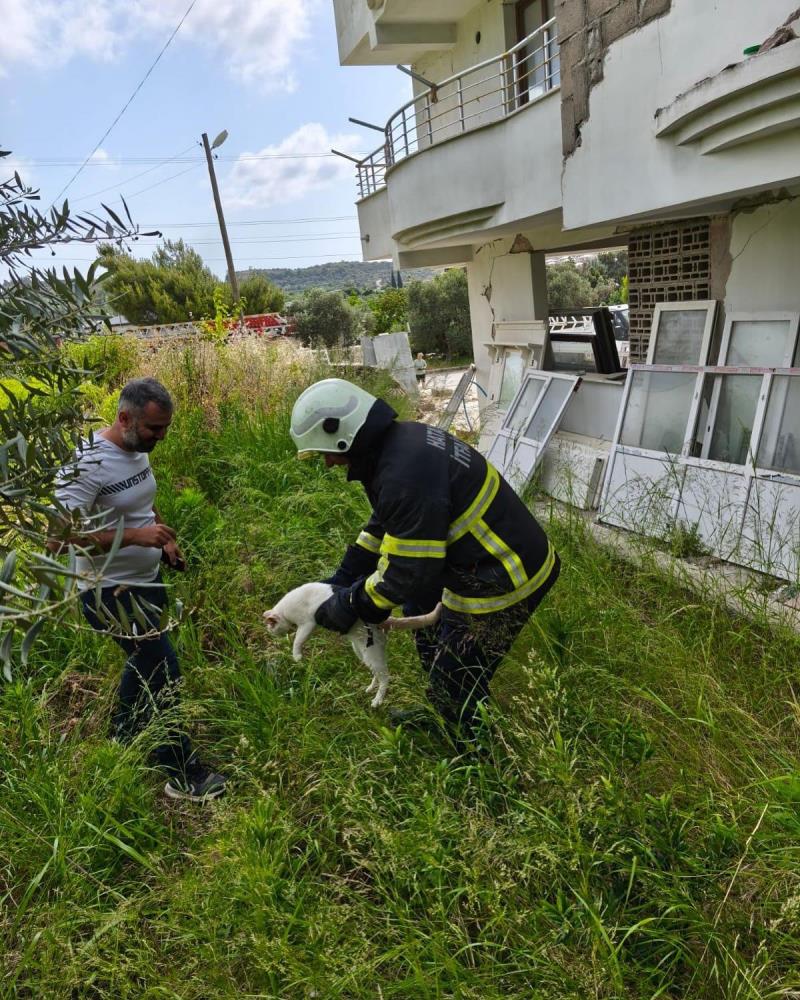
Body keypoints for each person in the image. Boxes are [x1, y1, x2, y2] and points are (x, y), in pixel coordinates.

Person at [289, 378, 560, 738]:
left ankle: (480, 758)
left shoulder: (402, 472)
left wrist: (351, 604)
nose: (327, 463)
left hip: (506, 577)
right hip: (482, 562)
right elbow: (388, 521)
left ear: (342, 434)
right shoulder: (399, 445)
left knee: (456, 678)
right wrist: (346, 574)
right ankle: (444, 712)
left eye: (325, 452)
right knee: (424, 617)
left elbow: (408, 571)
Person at [49, 377, 227, 802]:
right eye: (154, 429)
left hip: (147, 582)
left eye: (165, 428)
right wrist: (133, 537)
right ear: (124, 418)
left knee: (145, 660)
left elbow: (143, 502)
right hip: (109, 592)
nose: (161, 437)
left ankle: (122, 738)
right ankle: (181, 775)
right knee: (163, 670)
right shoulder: (86, 464)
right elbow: (56, 540)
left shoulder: (137, 448)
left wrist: (163, 539)